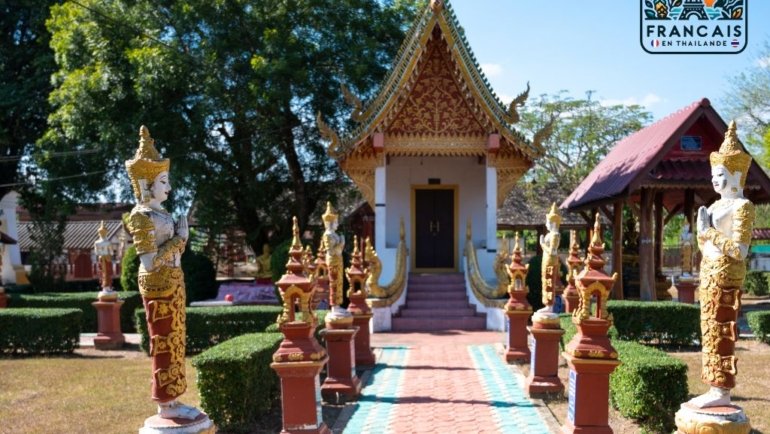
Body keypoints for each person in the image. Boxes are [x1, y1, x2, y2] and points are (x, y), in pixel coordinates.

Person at [125, 126, 200, 420]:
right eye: (164, 182)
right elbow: (149, 261)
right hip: (158, 284)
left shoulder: (162, 213)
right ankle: (165, 402)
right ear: (147, 184)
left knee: (177, 340)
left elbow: (170, 252)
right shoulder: (140, 216)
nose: (168, 188)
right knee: (164, 342)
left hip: (173, 281)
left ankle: (174, 398)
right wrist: (179, 240)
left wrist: (180, 241)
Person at [690, 121, 754, 408]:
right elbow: (704, 246)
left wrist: (710, 232)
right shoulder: (715, 206)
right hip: (709, 275)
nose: (715, 180)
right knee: (709, 331)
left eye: (720, 174)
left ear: (735, 175)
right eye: (713, 175)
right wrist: (701, 232)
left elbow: (740, 250)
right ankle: (713, 386)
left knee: (722, 331)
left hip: (727, 277)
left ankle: (722, 390)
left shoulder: (742, 206)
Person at [538, 203, 562, 313]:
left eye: (548, 222)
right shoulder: (550, 234)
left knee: (549, 282)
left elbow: (553, 251)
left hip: (550, 261)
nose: (546, 224)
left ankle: (549, 305)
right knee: (545, 281)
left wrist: (542, 244)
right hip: (547, 260)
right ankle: (547, 305)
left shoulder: (555, 235)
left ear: (553, 222)